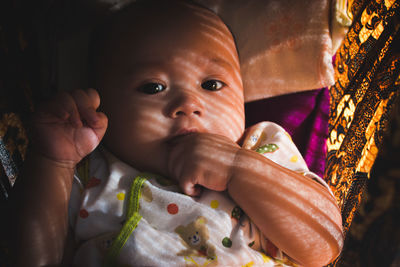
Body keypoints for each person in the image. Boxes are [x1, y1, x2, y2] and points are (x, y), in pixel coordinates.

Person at [8, 0, 344, 266]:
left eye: (212, 84)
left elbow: (324, 243)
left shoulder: (259, 147)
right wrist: (52, 160)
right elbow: (36, 260)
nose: (188, 103)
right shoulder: (87, 170)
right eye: (153, 87)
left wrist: (236, 166)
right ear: (102, 104)